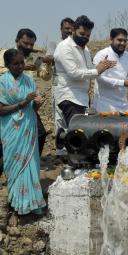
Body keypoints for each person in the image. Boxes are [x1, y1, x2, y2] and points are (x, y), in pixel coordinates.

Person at [0, 49, 46, 216]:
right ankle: (16, 204)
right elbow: (1, 110)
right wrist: (23, 102)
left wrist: (37, 104)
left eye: (22, 63)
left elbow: (32, 107)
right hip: (10, 130)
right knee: (14, 166)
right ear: (7, 65)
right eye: (16, 64)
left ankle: (32, 204)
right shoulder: (2, 82)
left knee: (30, 164)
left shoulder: (28, 81)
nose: (20, 66)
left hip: (28, 127)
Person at [54, 15, 116, 126]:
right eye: (82, 34)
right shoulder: (64, 47)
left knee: (80, 135)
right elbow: (73, 73)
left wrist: (102, 66)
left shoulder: (85, 49)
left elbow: (89, 71)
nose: (85, 38)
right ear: (73, 30)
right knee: (75, 134)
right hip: (69, 98)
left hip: (82, 98)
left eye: (88, 35)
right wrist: (97, 71)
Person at [0, 29, 53, 157]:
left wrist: (48, 63)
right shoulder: (4, 54)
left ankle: (29, 160)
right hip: (7, 104)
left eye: (31, 44)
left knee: (40, 132)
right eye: (25, 43)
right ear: (17, 41)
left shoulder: (32, 58)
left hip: (28, 105)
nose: (29, 47)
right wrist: (21, 67)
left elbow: (45, 76)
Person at [92, 28, 128, 113]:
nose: (123, 43)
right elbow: (99, 79)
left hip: (122, 105)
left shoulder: (126, 55)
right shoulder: (102, 54)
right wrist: (122, 83)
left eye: (125, 41)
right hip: (104, 104)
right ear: (111, 39)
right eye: (119, 40)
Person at [51, 17, 75, 156]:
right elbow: (48, 60)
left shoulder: (75, 46)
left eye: (72, 29)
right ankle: (61, 151)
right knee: (59, 118)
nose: (69, 31)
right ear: (61, 29)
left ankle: (73, 148)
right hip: (58, 86)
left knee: (73, 119)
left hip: (73, 87)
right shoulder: (54, 44)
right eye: (67, 28)